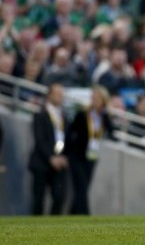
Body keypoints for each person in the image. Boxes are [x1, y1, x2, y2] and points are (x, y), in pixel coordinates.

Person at [65, 85, 114, 215]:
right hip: (77, 155)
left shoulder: (103, 117)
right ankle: (86, 216)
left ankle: (71, 217)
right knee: (80, 187)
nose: (95, 101)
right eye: (94, 98)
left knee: (83, 188)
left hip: (92, 156)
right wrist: (66, 153)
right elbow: (70, 133)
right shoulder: (82, 114)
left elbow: (112, 132)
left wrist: (106, 115)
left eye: (98, 98)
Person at [28, 84, 69, 215]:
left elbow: (67, 138)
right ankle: (35, 231)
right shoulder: (40, 114)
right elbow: (39, 140)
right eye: (57, 94)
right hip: (42, 162)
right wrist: (51, 157)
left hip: (59, 163)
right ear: (49, 95)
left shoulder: (64, 116)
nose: (60, 97)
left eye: (61, 94)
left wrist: (63, 156)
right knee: (38, 199)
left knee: (59, 197)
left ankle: (53, 229)